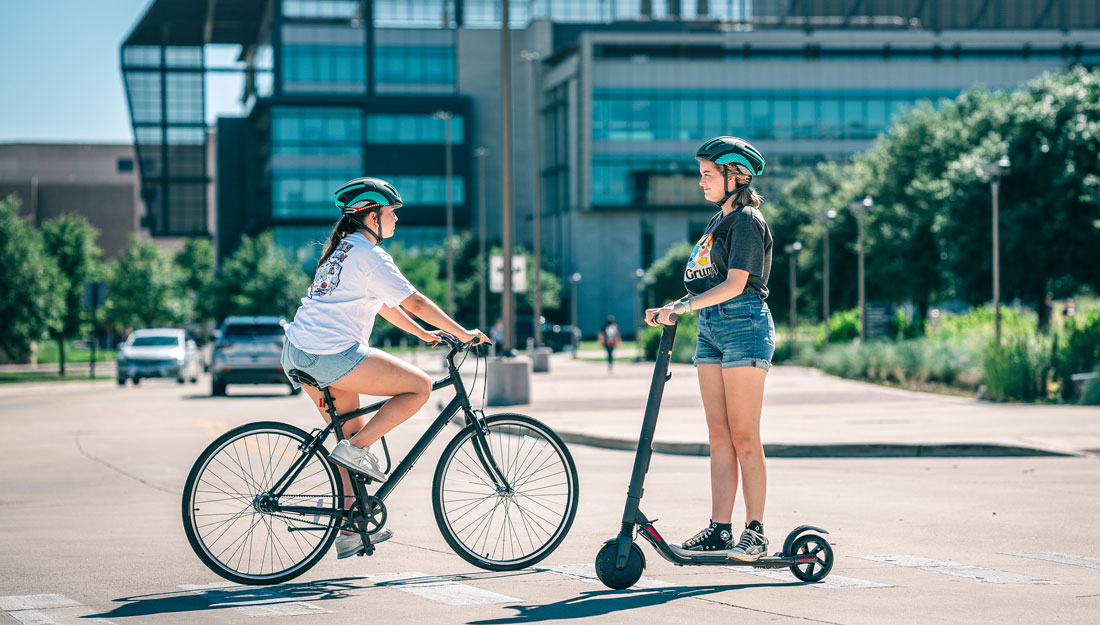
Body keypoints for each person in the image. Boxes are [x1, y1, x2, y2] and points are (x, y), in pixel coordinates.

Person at [281, 177, 490, 559]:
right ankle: (356, 451)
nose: (396, 219)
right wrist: (463, 332)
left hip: (300, 352)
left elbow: (384, 304)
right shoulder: (370, 255)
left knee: (348, 444)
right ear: (372, 216)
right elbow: (415, 300)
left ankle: (348, 528)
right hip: (330, 354)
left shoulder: (343, 251)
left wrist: (425, 334)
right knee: (420, 388)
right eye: (392, 213)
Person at [645, 137, 776, 561]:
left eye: (707, 174)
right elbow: (707, 283)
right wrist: (676, 306)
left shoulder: (747, 221)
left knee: (744, 435)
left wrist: (679, 306)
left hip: (745, 323)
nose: (701, 181)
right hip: (712, 327)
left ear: (734, 176)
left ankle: (755, 531)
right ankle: (721, 528)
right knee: (718, 434)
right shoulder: (717, 222)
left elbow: (736, 283)